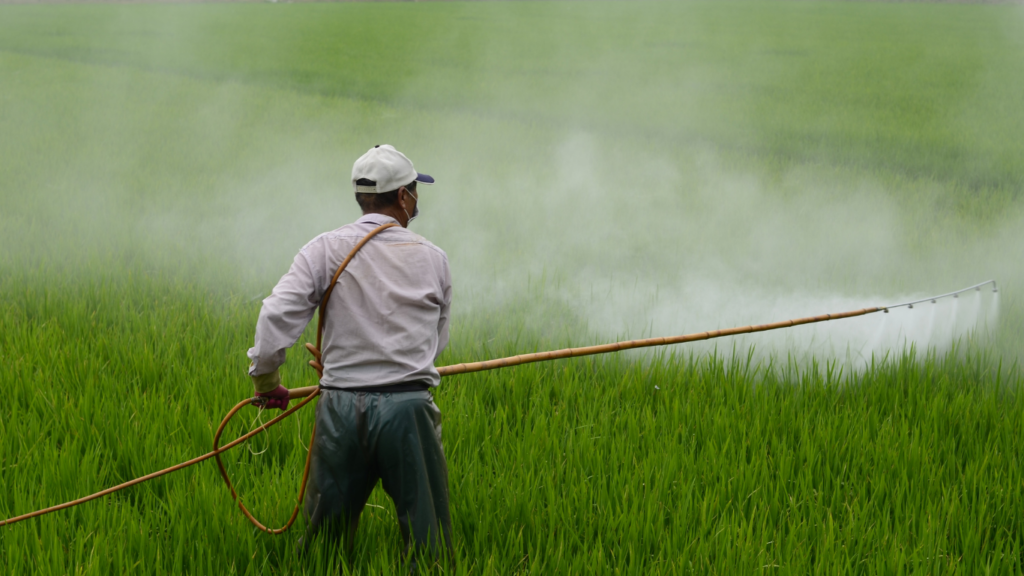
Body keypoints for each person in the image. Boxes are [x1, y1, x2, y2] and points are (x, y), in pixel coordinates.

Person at [246, 144, 454, 564]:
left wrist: (267, 382)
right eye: (414, 190)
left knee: (325, 546)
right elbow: (436, 344)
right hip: (408, 409)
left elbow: (275, 315)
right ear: (402, 196)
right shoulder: (433, 258)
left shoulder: (323, 249)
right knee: (428, 543)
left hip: (340, 407)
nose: (415, 199)